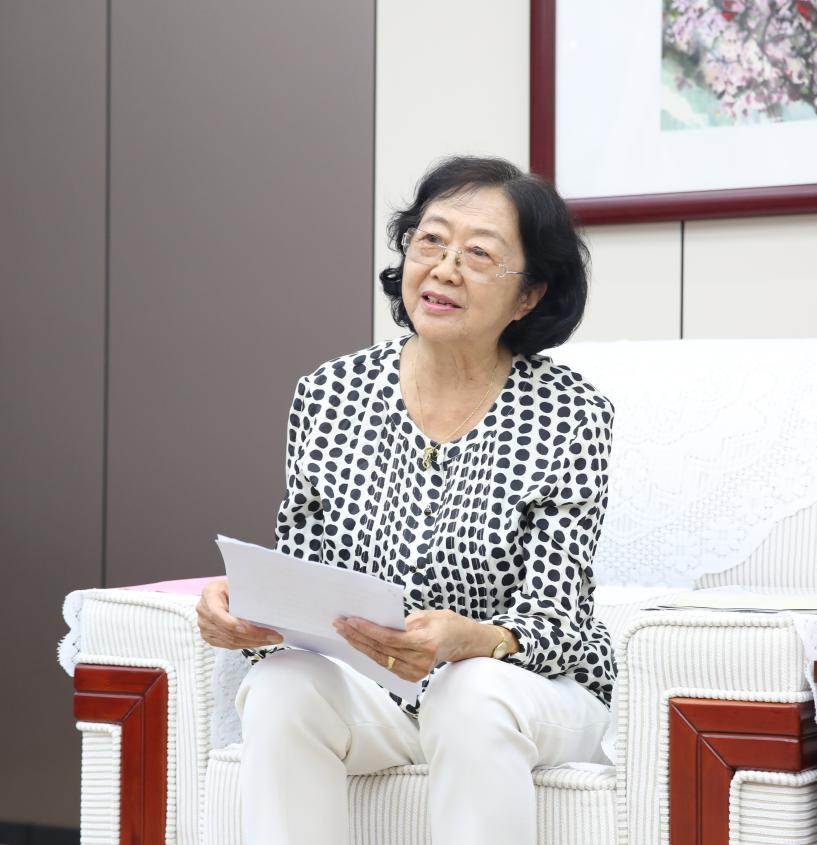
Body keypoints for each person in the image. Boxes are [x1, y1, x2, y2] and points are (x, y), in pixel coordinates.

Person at [196, 155, 617, 845]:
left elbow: (557, 619)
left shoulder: (570, 413)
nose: (444, 268)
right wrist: (251, 612)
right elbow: (304, 572)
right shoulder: (330, 393)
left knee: (467, 689)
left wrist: (466, 640)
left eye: (478, 254)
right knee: (282, 686)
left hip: (526, 691)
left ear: (528, 295)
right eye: (430, 241)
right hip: (378, 690)